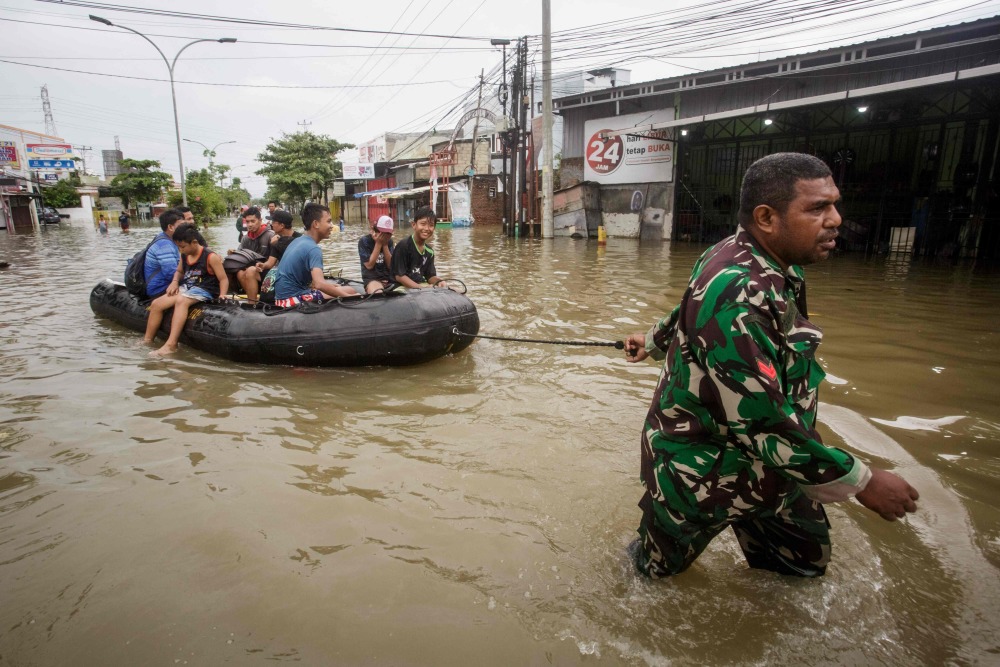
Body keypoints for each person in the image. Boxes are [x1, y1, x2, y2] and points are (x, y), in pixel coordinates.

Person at [623, 152, 919, 579]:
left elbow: (687, 304)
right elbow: (763, 421)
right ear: (766, 217)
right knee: (649, 581)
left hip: (778, 470)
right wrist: (863, 481)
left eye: (834, 203)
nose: (835, 219)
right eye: (818, 208)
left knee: (800, 574)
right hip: (702, 472)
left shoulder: (752, 257)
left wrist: (652, 339)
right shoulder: (737, 288)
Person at [143, 223, 228, 357]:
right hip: (187, 287)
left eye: (182, 247)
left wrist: (223, 295)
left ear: (194, 242)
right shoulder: (185, 255)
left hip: (205, 289)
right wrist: (175, 282)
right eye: (178, 247)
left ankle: (171, 344)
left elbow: (223, 279)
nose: (180, 250)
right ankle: (147, 340)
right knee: (156, 304)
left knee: (182, 301)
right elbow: (179, 271)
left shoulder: (211, 257)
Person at [273, 202, 356, 308]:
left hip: (282, 298)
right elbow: (319, 284)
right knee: (354, 294)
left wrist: (330, 286)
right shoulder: (313, 249)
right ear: (316, 224)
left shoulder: (298, 240)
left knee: (350, 289)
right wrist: (350, 299)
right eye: (329, 221)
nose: (332, 226)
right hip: (290, 300)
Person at [244, 209, 301, 304]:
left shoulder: (299, 239)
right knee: (251, 270)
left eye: (274, 222)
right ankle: (252, 304)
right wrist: (262, 265)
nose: (271, 224)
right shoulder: (276, 238)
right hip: (279, 270)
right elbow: (270, 262)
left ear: (282, 225)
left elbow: (295, 260)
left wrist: (277, 244)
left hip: (293, 272)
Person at [390, 206, 447, 289]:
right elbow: (399, 277)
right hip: (399, 286)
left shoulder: (429, 252)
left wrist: (440, 282)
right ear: (414, 225)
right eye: (423, 224)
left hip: (420, 285)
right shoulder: (403, 246)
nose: (427, 229)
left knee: (455, 290)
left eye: (431, 225)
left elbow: (430, 276)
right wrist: (421, 288)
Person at [227, 207, 274, 298]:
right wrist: (232, 254)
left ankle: (254, 300)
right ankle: (252, 297)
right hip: (250, 271)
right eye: (247, 222)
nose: (250, 224)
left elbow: (276, 260)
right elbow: (240, 255)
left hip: (267, 271)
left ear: (260, 220)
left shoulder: (270, 235)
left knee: (250, 270)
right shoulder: (245, 238)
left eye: (253, 221)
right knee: (239, 272)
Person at [143, 209, 183, 299]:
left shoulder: (164, 237)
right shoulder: (165, 245)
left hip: (164, 284)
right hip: (159, 288)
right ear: (170, 227)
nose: (185, 229)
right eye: (181, 226)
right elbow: (171, 273)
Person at [359, 215, 395, 294]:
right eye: (382, 233)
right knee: (378, 293)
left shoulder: (389, 242)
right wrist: (378, 243)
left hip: (388, 277)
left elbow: (390, 265)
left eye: (387, 234)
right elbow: (369, 265)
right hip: (372, 278)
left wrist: (385, 244)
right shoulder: (364, 241)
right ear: (374, 230)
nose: (384, 236)